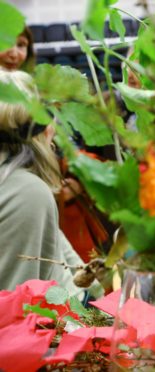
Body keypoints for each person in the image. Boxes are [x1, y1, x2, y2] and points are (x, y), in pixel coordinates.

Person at [0, 69, 84, 295]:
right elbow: (16, 309)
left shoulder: (20, 185)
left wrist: (93, 285)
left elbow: (58, 249)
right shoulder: (25, 192)